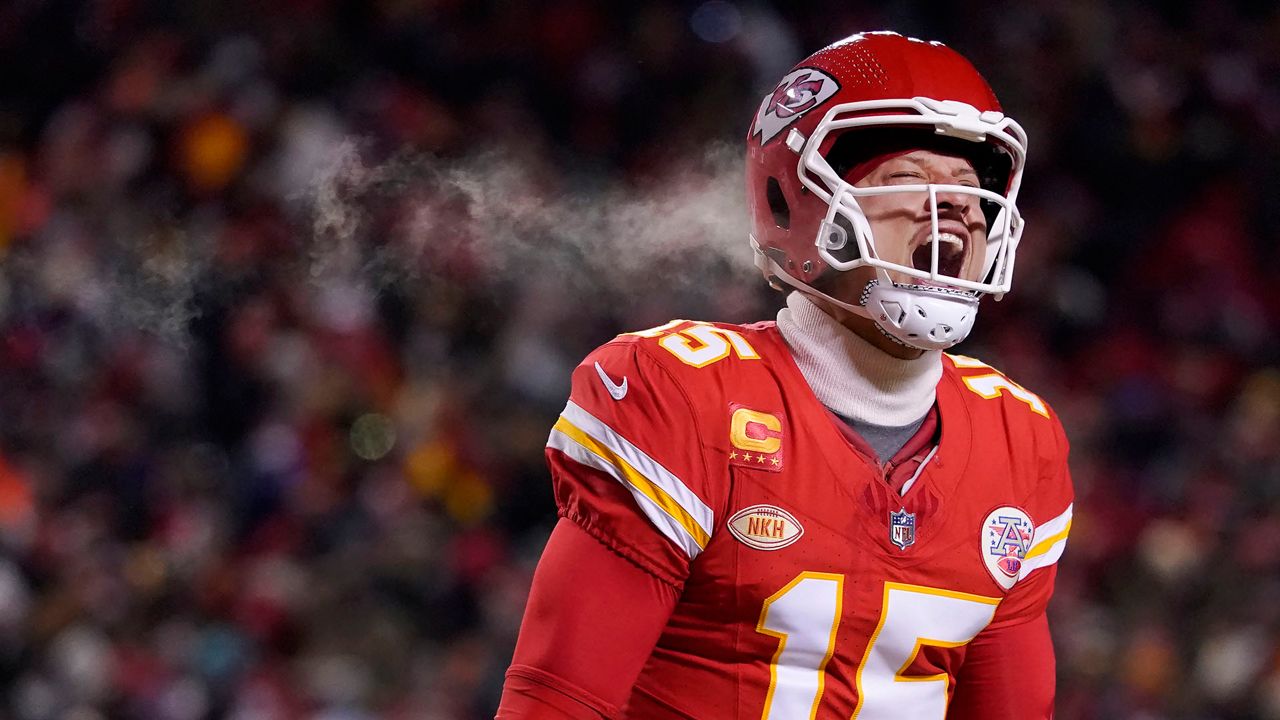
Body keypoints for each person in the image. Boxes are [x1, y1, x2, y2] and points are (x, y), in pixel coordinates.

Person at [497, 30, 1072, 719]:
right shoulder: (685, 395)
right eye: (907, 180)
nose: (951, 210)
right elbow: (559, 701)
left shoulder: (1019, 438)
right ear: (796, 205)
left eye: (969, 188)